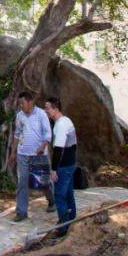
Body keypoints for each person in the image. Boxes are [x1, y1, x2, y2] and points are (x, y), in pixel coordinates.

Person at [8, 90, 54, 223]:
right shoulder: (19, 116)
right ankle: (21, 212)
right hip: (22, 155)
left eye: (22, 103)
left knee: (43, 182)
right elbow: (17, 134)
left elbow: (48, 134)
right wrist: (12, 153)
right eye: (19, 104)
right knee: (22, 182)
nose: (20, 106)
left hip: (39, 155)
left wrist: (42, 147)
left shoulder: (41, 114)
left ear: (30, 102)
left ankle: (52, 201)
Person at [44, 96, 78, 238]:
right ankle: (71, 217)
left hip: (64, 166)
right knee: (68, 192)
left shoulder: (61, 124)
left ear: (55, 109)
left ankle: (63, 226)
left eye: (47, 108)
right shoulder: (64, 121)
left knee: (59, 195)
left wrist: (54, 169)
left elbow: (58, 149)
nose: (45, 111)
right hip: (69, 163)